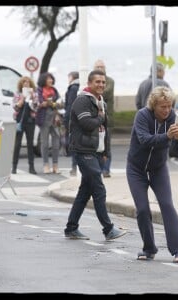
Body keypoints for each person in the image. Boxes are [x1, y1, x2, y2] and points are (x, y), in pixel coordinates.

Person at [126, 86, 178, 263]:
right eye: (163, 106)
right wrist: (167, 136)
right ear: (154, 106)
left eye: (169, 106)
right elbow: (145, 140)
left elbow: (177, 152)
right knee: (143, 209)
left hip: (158, 168)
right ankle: (149, 248)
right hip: (136, 168)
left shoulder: (173, 119)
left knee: (167, 205)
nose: (167, 110)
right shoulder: (142, 116)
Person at [64, 69, 127, 241]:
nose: (101, 85)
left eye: (103, 82)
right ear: (90, 83)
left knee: (85, 192)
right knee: (99, 189)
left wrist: (106, 151)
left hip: (96, 152)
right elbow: (87, 124)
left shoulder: (101, 102)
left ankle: (71, 228)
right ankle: (108, 229)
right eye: (97, 82)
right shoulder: (82, 100)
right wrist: (100, 117)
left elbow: (104, 130)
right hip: (83, 151)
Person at [36, 72, 63, 174]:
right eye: (48, 79)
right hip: (44, 119)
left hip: (55, 118)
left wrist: (52, 103)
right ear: (44, 80)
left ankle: (55, 165)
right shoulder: (39, 90)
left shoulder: (55, 91)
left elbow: (60, 104)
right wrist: (46, 103)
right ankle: (46, 165)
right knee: (45, 143)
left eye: (51, 79)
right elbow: (37, 104)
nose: (51, 81)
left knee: (56, 143)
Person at [11, 76, 38, 175]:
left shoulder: (34, 94)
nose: (26, 84)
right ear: (21, 84)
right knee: (17, 144)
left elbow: (36, 108)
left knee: (30, 144)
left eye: (28, 82)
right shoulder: (18, 94)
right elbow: (15, 108)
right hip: (20, 122)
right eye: (24, 82)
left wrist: (31, 98)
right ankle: (14, 167)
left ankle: (31, 167)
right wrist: (22, 100)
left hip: (30, 121)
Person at [93, 59, 115, 178]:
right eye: (97, 67)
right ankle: (98, 168)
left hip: (107, 118)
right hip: (94, 119)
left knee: (107, 145)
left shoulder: (110, 81)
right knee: (96, 144)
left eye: (102, 67)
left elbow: (104, 93)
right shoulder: (92, 82)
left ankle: (106, 169)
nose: (100, 69)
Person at [64, 71, 79, 176]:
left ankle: (75, 166)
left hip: (73, 120)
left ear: (72, 77)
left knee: (73, 144)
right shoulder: (80, 86)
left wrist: (66, 120)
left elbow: (70, 106)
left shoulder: (73, 88)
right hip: (79, 119)